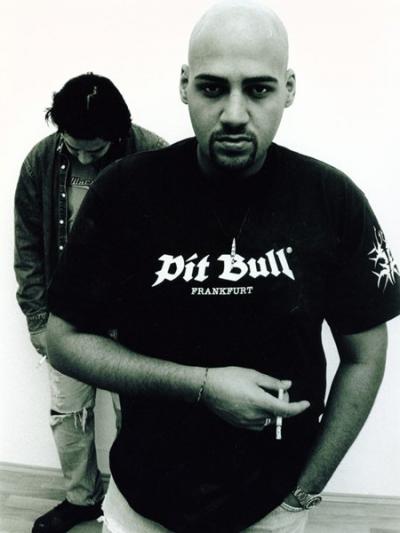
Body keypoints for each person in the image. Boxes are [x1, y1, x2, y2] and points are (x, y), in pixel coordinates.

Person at [46, 3, 400, 533]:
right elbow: (64, 340)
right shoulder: (123, 191)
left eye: (258, 89)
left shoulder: (332, 199)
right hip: (142, 502)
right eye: (212, 88)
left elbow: (366, 356)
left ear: (288, 89)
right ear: (184, 85)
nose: (234, 113)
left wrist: (305, 492)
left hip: (272, 508)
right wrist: (202, 385)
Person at [14, 72, 167, 532]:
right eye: (73, 146)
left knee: (135, 417)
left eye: (94, 150)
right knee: (68, 413)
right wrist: (37, 319)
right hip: (68, 318)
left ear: (117, 134)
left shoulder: (154, 156)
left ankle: (128, 502)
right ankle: (81, 499)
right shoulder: (41, 161)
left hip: (134, 321)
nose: (82, 157)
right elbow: (27, 244)